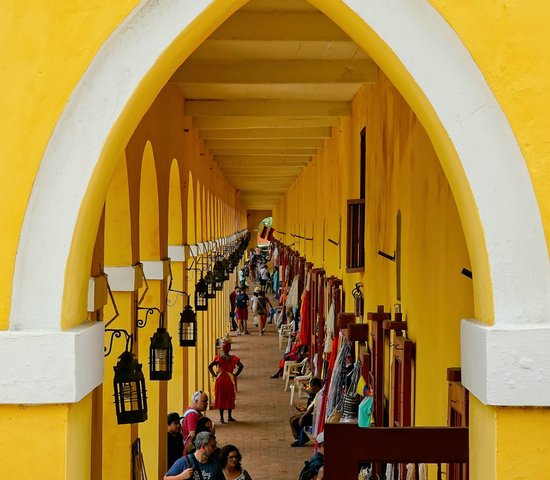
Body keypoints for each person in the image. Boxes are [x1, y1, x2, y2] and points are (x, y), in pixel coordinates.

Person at [208, 339, 244, 423]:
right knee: (229, 397)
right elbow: (241, 366)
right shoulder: (232, 358)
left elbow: (210, 366)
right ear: (229, 348)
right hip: (229, 379)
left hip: (220, 379)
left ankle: (221, 418)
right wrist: (235, 374)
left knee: (221, 397)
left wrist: (214, 374)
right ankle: (229, 416)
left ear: (222, 348)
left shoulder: (219, 358)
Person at [289, 377, 323, 447]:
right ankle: (300, 438)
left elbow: (313, 408)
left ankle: (300, 439)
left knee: (294, 421)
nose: (312, 389)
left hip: (313, 416)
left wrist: (303, 416)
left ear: (317, 386)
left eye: (313, 387)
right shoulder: (317, 393)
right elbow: (311, 406)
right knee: (292, 418)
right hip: (310, 413)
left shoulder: (320, 394)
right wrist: (304, 409)